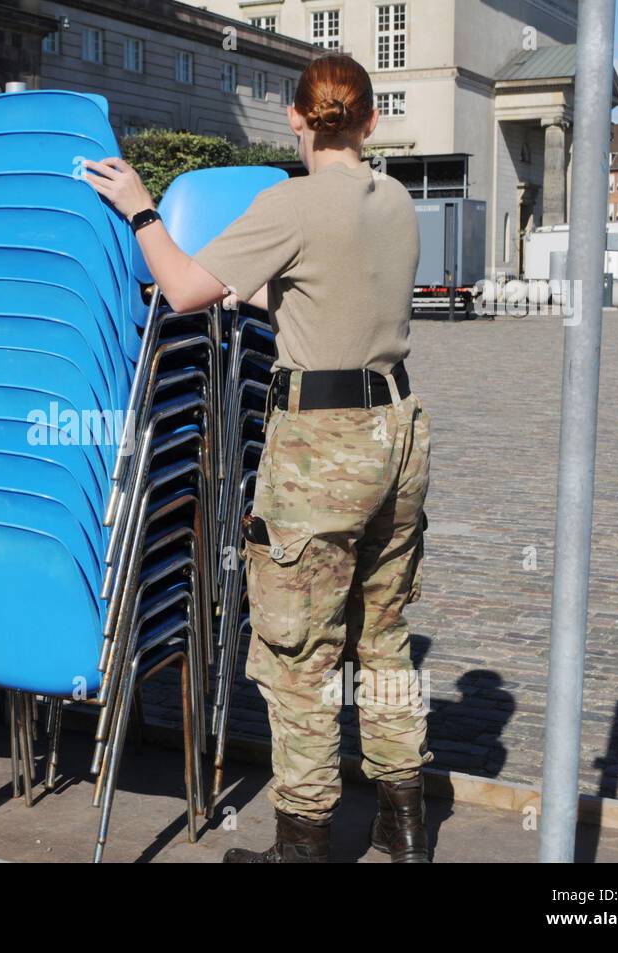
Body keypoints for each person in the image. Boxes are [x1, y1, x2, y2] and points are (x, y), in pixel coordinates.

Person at [85, 53, 431, 863]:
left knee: (297, 652)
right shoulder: (398, 199)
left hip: (322, 449)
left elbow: (178, 289)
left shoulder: (291, 202)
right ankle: (405, 823)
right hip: (399, 431)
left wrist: (141, 211)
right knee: (382, 634)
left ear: (298, 123)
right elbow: (331, 284)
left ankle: (304, 845)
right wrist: (260, 287)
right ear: (372, 122)